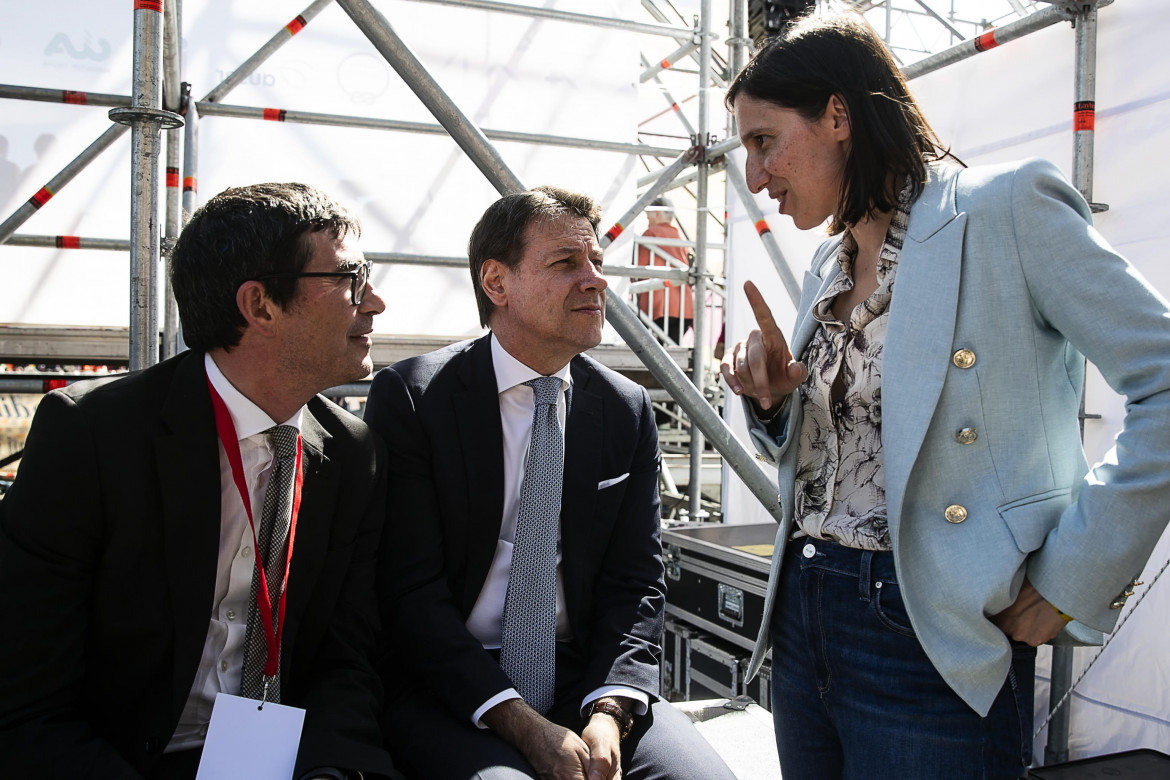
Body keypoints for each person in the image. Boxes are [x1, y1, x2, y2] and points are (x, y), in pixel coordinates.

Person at [719, 12, 1170, 780]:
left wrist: (1073, 577)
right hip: (802, 613)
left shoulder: (1005, 208)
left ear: (838, 116)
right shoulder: (830, 261)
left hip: (930, 630)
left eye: (764, 141)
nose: (755, 176)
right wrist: (772, 406)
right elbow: (847, 453)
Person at [0, 182, 402, 780]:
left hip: (279, 758)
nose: (375, 302)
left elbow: (345, 660)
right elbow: (26, 699)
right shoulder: (94, 436)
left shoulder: (352, 452)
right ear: (260, 305)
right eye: (351, 278)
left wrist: (329, 771)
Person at [364, 186, 736, 780]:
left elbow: (636, 582)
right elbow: (409, 594)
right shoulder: (414, 398)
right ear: (497, 283)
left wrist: (610, 710)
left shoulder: (624, 408)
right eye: (567, 263)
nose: (596, 281)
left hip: (587, 680)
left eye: (597, 264)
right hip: (453, 687)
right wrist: (519, 722)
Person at [635, 196, 694, 344]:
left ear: (657, 213)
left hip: (658, 304)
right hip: (683, 305)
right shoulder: (680, 238)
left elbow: (638, 272)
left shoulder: (651, 234)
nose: (648, 221)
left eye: (648, 217)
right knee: (672, 348)